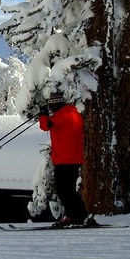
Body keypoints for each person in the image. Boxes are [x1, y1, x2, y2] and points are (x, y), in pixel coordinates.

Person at [38, 92, 94, 227]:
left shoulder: (64, 114)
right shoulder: (71, 113)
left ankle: (78, 217)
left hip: (65, 160)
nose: (51, 107)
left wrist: (43, 115)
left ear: (56, 103)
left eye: (51, 104)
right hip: (70, 159)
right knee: (67, 190)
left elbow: (46, 125)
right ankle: (78, 216)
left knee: (64, 190)